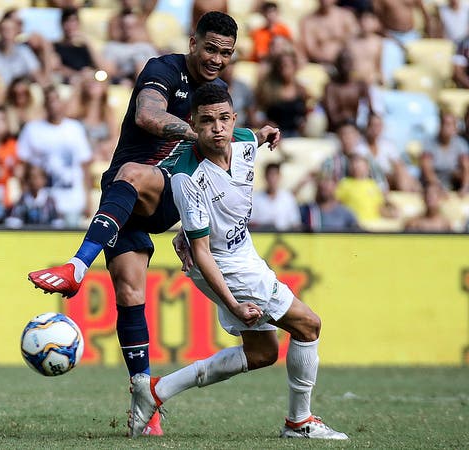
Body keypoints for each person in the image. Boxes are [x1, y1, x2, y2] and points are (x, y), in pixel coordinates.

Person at [28, 12, 239, 436]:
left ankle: (76, 266)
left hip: (161, 194)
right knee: (129, 291)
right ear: (193, 42)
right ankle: (145, 403)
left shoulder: (218, 96)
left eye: (226, 53)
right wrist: (196, 136)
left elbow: (214, 165)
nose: (216, 59)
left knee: (130, 174)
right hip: (126, 203)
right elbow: (147, 115)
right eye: (211, 48)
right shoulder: (163, 68)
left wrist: (194, 225)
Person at [128, 82, 349, 440]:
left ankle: (155, 391)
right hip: (223, 264)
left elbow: (255, 136)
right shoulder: (188, 178)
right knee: (308, 326)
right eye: (207, 121)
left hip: (243, 252)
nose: (217, 128)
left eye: (224, 119)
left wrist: (268, 134)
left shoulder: (244, 140)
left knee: (262, 353)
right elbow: (201, 253)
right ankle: (300, 422)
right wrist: (233, 302)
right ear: (193, 125)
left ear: (234, 118)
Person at [17, 85, 93, 227]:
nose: (53, 104)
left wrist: (88, 199)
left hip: (72, 200)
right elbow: (23, 167)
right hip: (43, 202)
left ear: (63, 103)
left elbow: (85, 166)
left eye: (56, 99)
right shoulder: (32, 129)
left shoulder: (75, 128)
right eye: (49, 100)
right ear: (44, 104)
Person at [67, 71, 120, 163]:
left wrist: (104, 147)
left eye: (98, 82)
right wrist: (78, 87)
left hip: (101, 155)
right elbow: (66, 118)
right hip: (80, 154)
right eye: (90, 82)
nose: (93, 83)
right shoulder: (79, 106)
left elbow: (115, 137)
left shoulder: (108, 110)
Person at [256, 52, 308, 137]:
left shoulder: (301, 90)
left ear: (294, 67)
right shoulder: (268, 89)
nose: (283, 69)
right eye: (280, 66)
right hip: (274, 134)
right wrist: (267, 124)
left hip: (296, 133)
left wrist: (304, 123)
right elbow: (259, 113)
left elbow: (305, 112)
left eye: (287, 65)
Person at [0, 15, 46, 86]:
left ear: (16, 32)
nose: (6, 34)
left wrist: (46, 49)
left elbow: (38, 77)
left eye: (10, 30)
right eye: (4, 30)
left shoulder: (24, 51)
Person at [53, 7, 110, 84]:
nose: (70, 26)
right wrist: (78, 75)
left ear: (79, 24)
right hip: (68, 81)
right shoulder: (56, 46)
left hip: (88, 82)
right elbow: (57, 68)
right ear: (61, 24)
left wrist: (88, 43)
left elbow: (104, 69)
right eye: (67, 22)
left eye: (73, 21)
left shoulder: (86, 47)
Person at [335, 154, 397, 222]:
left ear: (367, 167)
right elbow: (335, 203)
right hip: (355, 225)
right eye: (354, 165)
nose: (356, 167)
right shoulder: (345, 183)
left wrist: (390, 212)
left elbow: (380, 206)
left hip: (375, 223)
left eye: (359, 165)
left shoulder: (373, 184)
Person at [323, 49, 373, 132]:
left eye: (348, 61)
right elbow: (333, 116)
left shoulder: (361, 85)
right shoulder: (331, 87)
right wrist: (348, 121)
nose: (345, 66)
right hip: (338, 130)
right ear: (337, 64)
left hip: (360, 128)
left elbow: (368, 109)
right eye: (343, 62)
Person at [103, 10, 158, 85]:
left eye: (131, 26)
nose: (127, 30)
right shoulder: (112, 47)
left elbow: (156, 70)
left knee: (140, 58)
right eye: (124, 26)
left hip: (145, 82)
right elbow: (108, 71)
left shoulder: (147, 47)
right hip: (122, 82)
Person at [420, 110, 469, 193]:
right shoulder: (430, 143)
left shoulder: (461, 144)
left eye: (450, 125)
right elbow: (427, 169)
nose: (447, 128)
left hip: (452, 182)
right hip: (433, 183)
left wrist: (465, 186)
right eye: (445, 124)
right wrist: (439, 186)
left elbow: (466, 166)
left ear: (455, 127)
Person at [298, 0, 358, 65]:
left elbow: (355, 40)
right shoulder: (308, 21)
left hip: (347, 62)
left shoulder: (346, 16)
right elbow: (310, 50)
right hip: (322, 64)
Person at [5, 164, 62, 228]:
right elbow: (15, 220)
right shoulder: (22, 199)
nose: (34, 181)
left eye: (38, 178)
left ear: (44, 180)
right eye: (31, 178)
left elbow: (57, 223)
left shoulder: (50, 200)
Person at [250, 163, 301, 231]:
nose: (272, 179)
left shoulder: (288, 198)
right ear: (265, 177)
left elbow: (295, 223)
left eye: (275, 175)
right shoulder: (255, 198)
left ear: (280, 177)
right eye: (270, 175)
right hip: (262, 237)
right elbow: (251, 222)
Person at [346, 9, 384, 86]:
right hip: (353, 79)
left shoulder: (378, 42)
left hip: (370, 80)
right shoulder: (350, 41)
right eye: (363, 20)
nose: (365, 23)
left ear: (375, 23)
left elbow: (379, 65)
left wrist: (381, 79)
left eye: (368, 21)